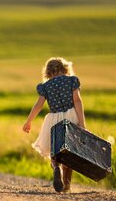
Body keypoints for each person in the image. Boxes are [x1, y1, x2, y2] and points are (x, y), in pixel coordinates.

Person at [22, 57, 86, 193]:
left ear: (48, 72)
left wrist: (29, 121)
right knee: (70, 151)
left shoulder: (45, 86)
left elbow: (38, 105)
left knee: (55, 149)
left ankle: (56, 167)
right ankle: (67, 185)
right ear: (65, 69)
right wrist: (82, 123)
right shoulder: (72, 81)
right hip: (71, 116)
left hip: (53, 119)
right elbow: (77, 101)